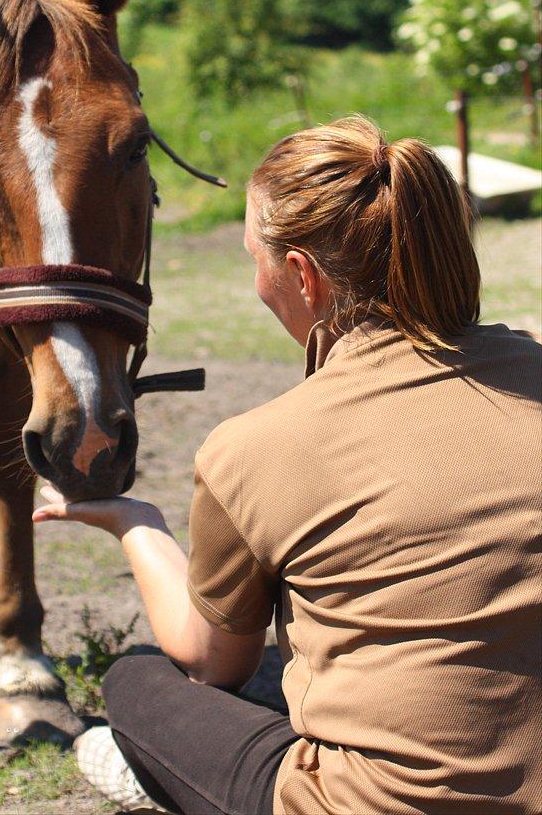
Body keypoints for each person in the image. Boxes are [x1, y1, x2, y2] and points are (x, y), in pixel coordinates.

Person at [34, 116, 542, 815]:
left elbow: (214, 660)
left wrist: (137, 524)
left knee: (138, 681)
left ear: (302, 275)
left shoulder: (255, 448)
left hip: (375, 804)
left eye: (255, 257)